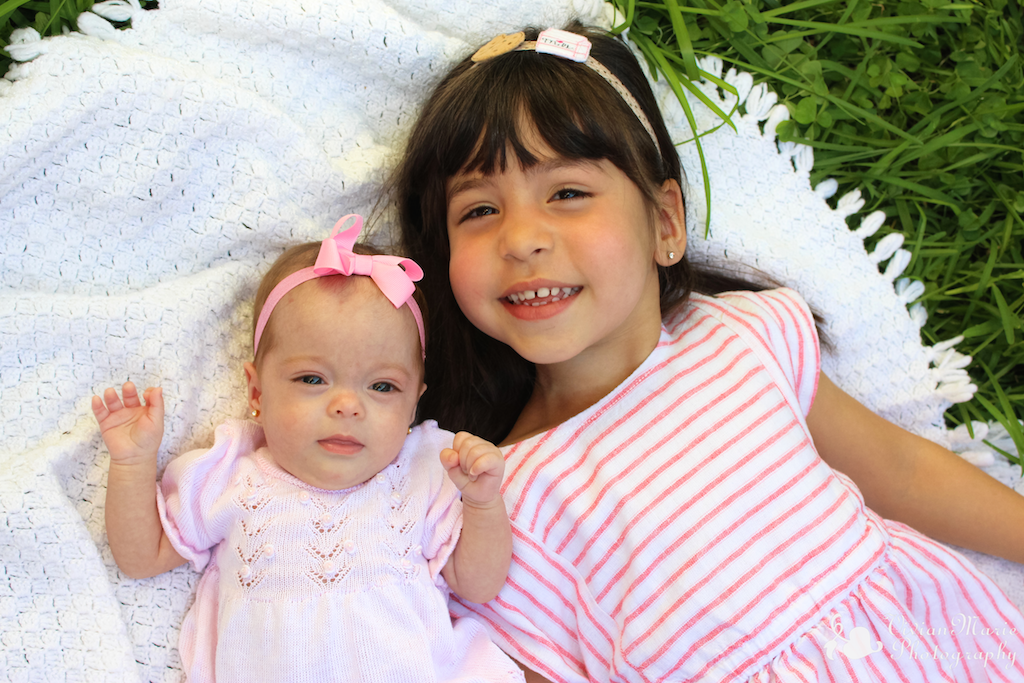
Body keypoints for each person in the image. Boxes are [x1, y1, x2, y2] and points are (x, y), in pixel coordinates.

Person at [389, 22, 1024, 683]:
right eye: (479, 211)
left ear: (666, 221)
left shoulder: (738, 336)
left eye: (567, 193)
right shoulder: (499, 500)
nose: (521, 239)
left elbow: (903, 471)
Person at [92, 215, 525, 683]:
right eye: (312, 379)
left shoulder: (424, 471)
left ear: (413, 405)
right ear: (257, 392)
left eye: (382, 386)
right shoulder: (231, 476)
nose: (347, 406)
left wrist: (482, 503)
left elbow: (479, 585)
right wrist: (132, 462)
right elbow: (143, 557)